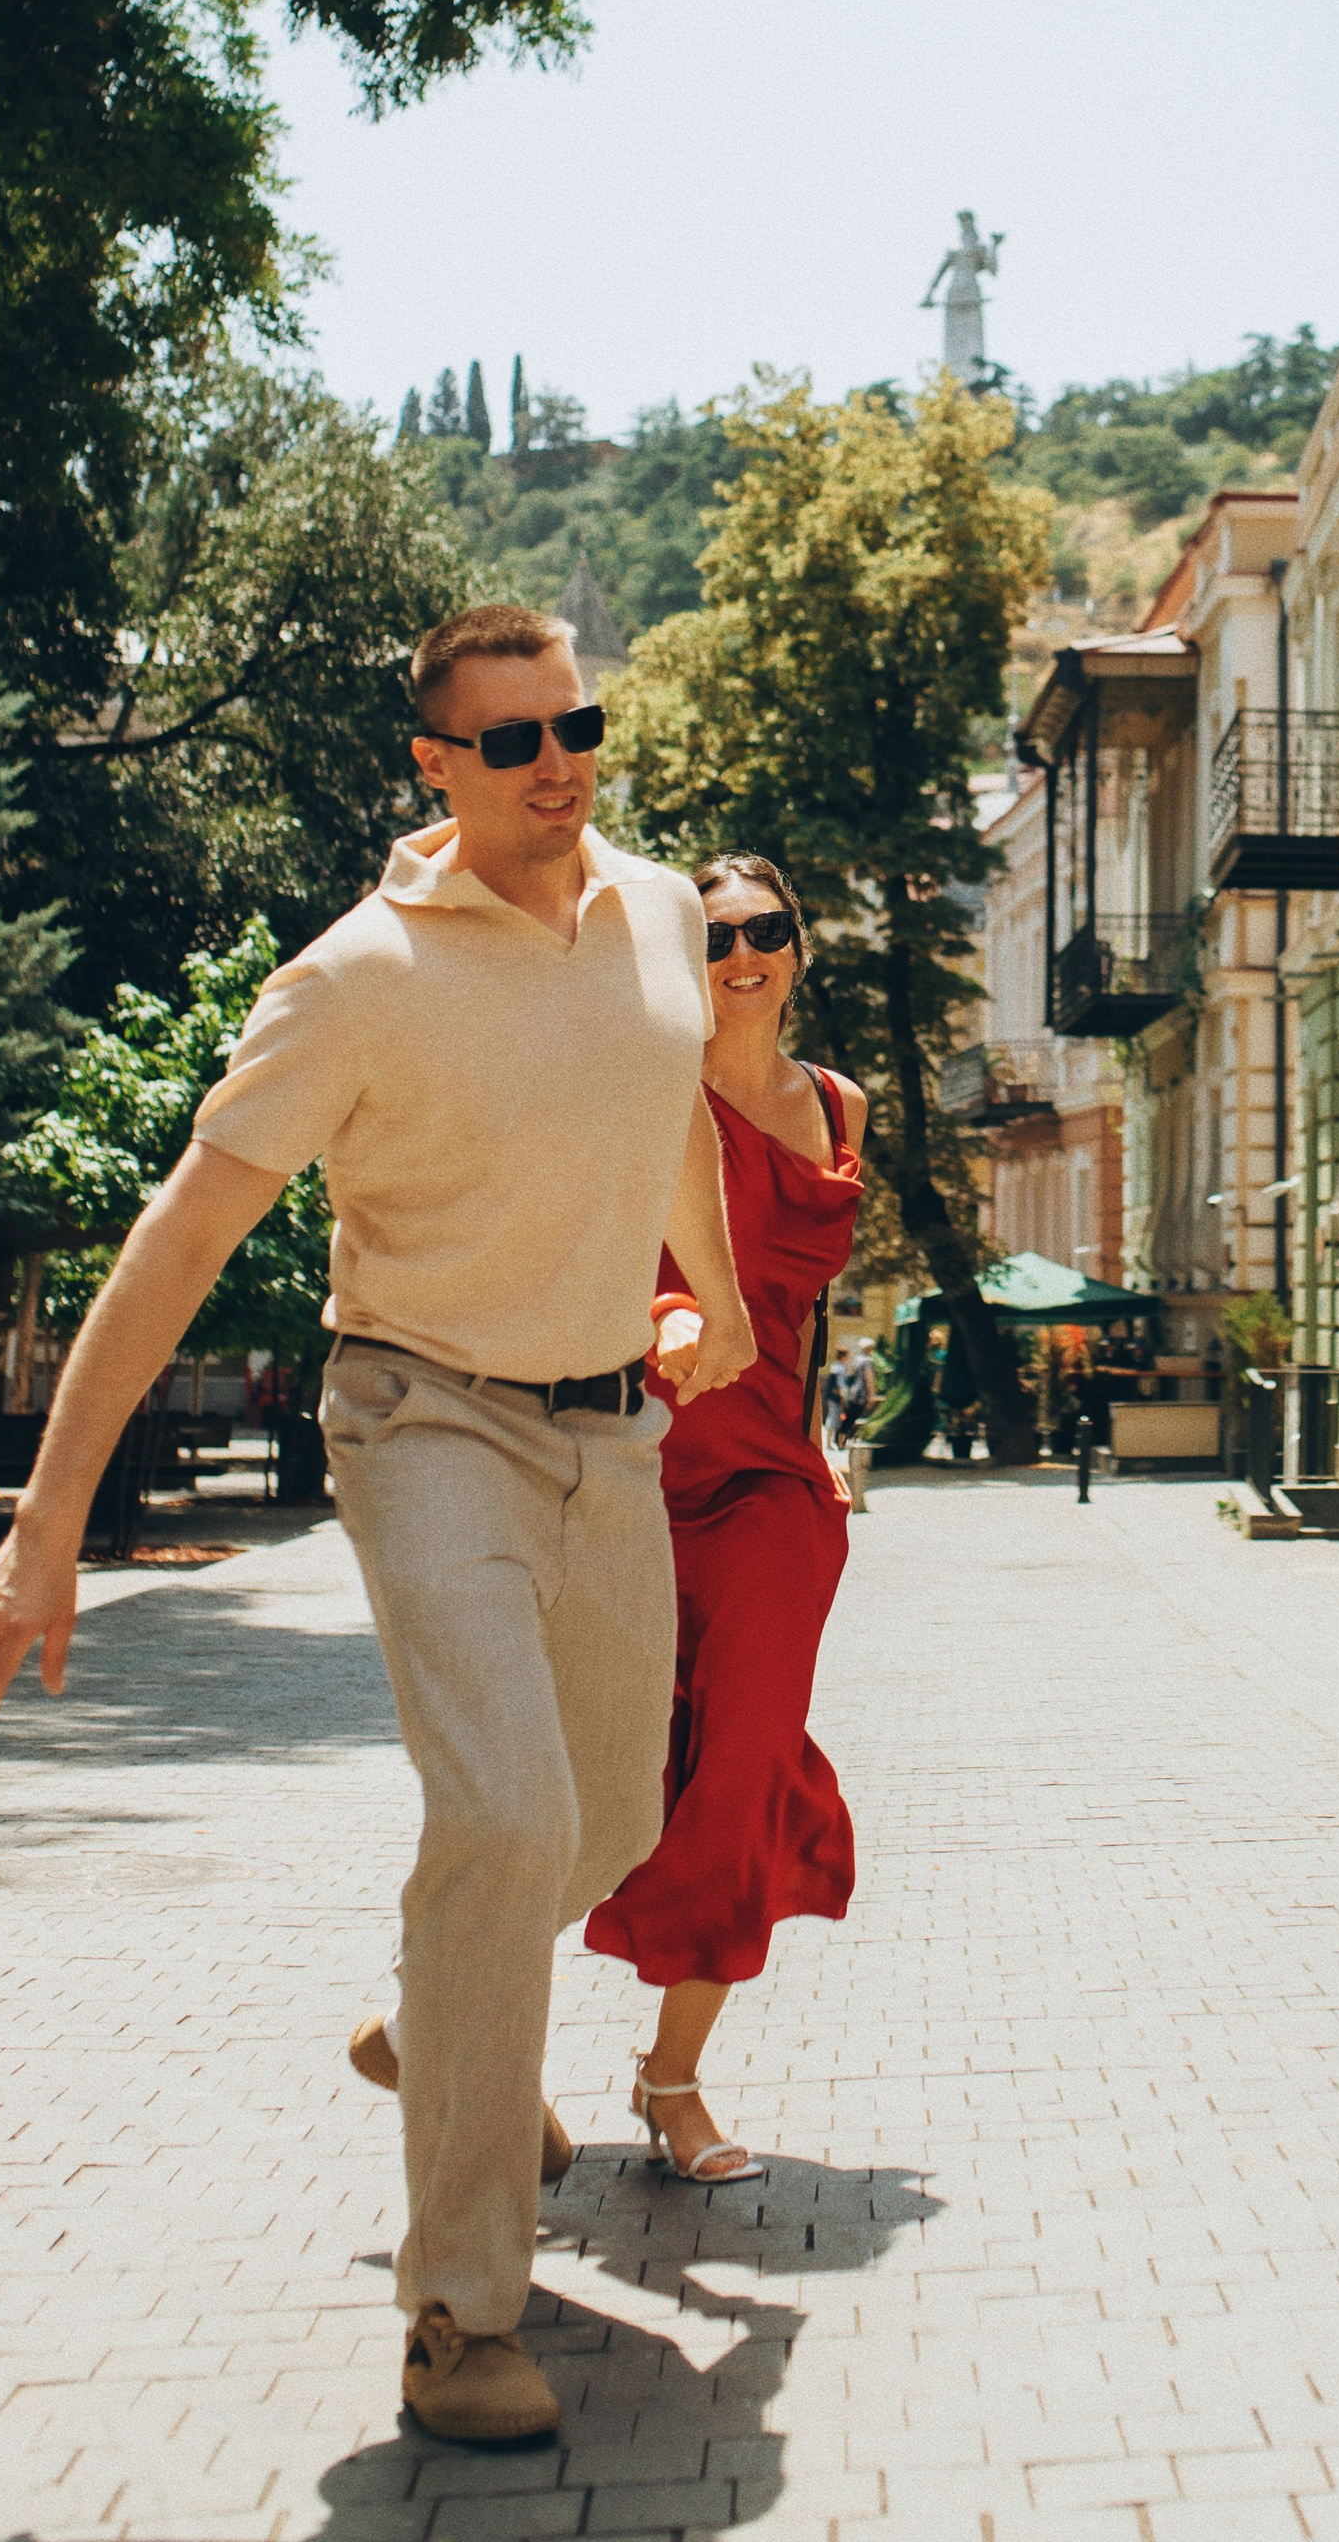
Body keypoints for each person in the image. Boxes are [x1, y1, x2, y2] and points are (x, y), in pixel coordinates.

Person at [0, 603, 756, 2451]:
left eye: (581, 723)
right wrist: (43, 1526)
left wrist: (714, 1298)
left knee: (618, 1816)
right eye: (516, 740)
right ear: (437, 767)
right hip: (422, 1418)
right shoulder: (357, 977)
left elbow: (676, 1115)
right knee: (505, 1816)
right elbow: (184, 1235)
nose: (564, 760)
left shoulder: (647, 910)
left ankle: (442, 2019)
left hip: (608, 1431)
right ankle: (459, 2314)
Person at [583, 855, 865, 2184]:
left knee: (743, 1763)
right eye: (714, 935)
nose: (742, 955)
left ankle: (672, 2077)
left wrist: (830, 1448)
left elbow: (807, 1324)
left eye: (766, 931)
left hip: (769, 1490)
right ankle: (463, 2022)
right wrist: (669, 1316)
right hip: (630, 1472)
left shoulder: (839, 1105)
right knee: (599, 1777)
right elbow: (584, 1265)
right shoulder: (639, 1087)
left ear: (799, 947)